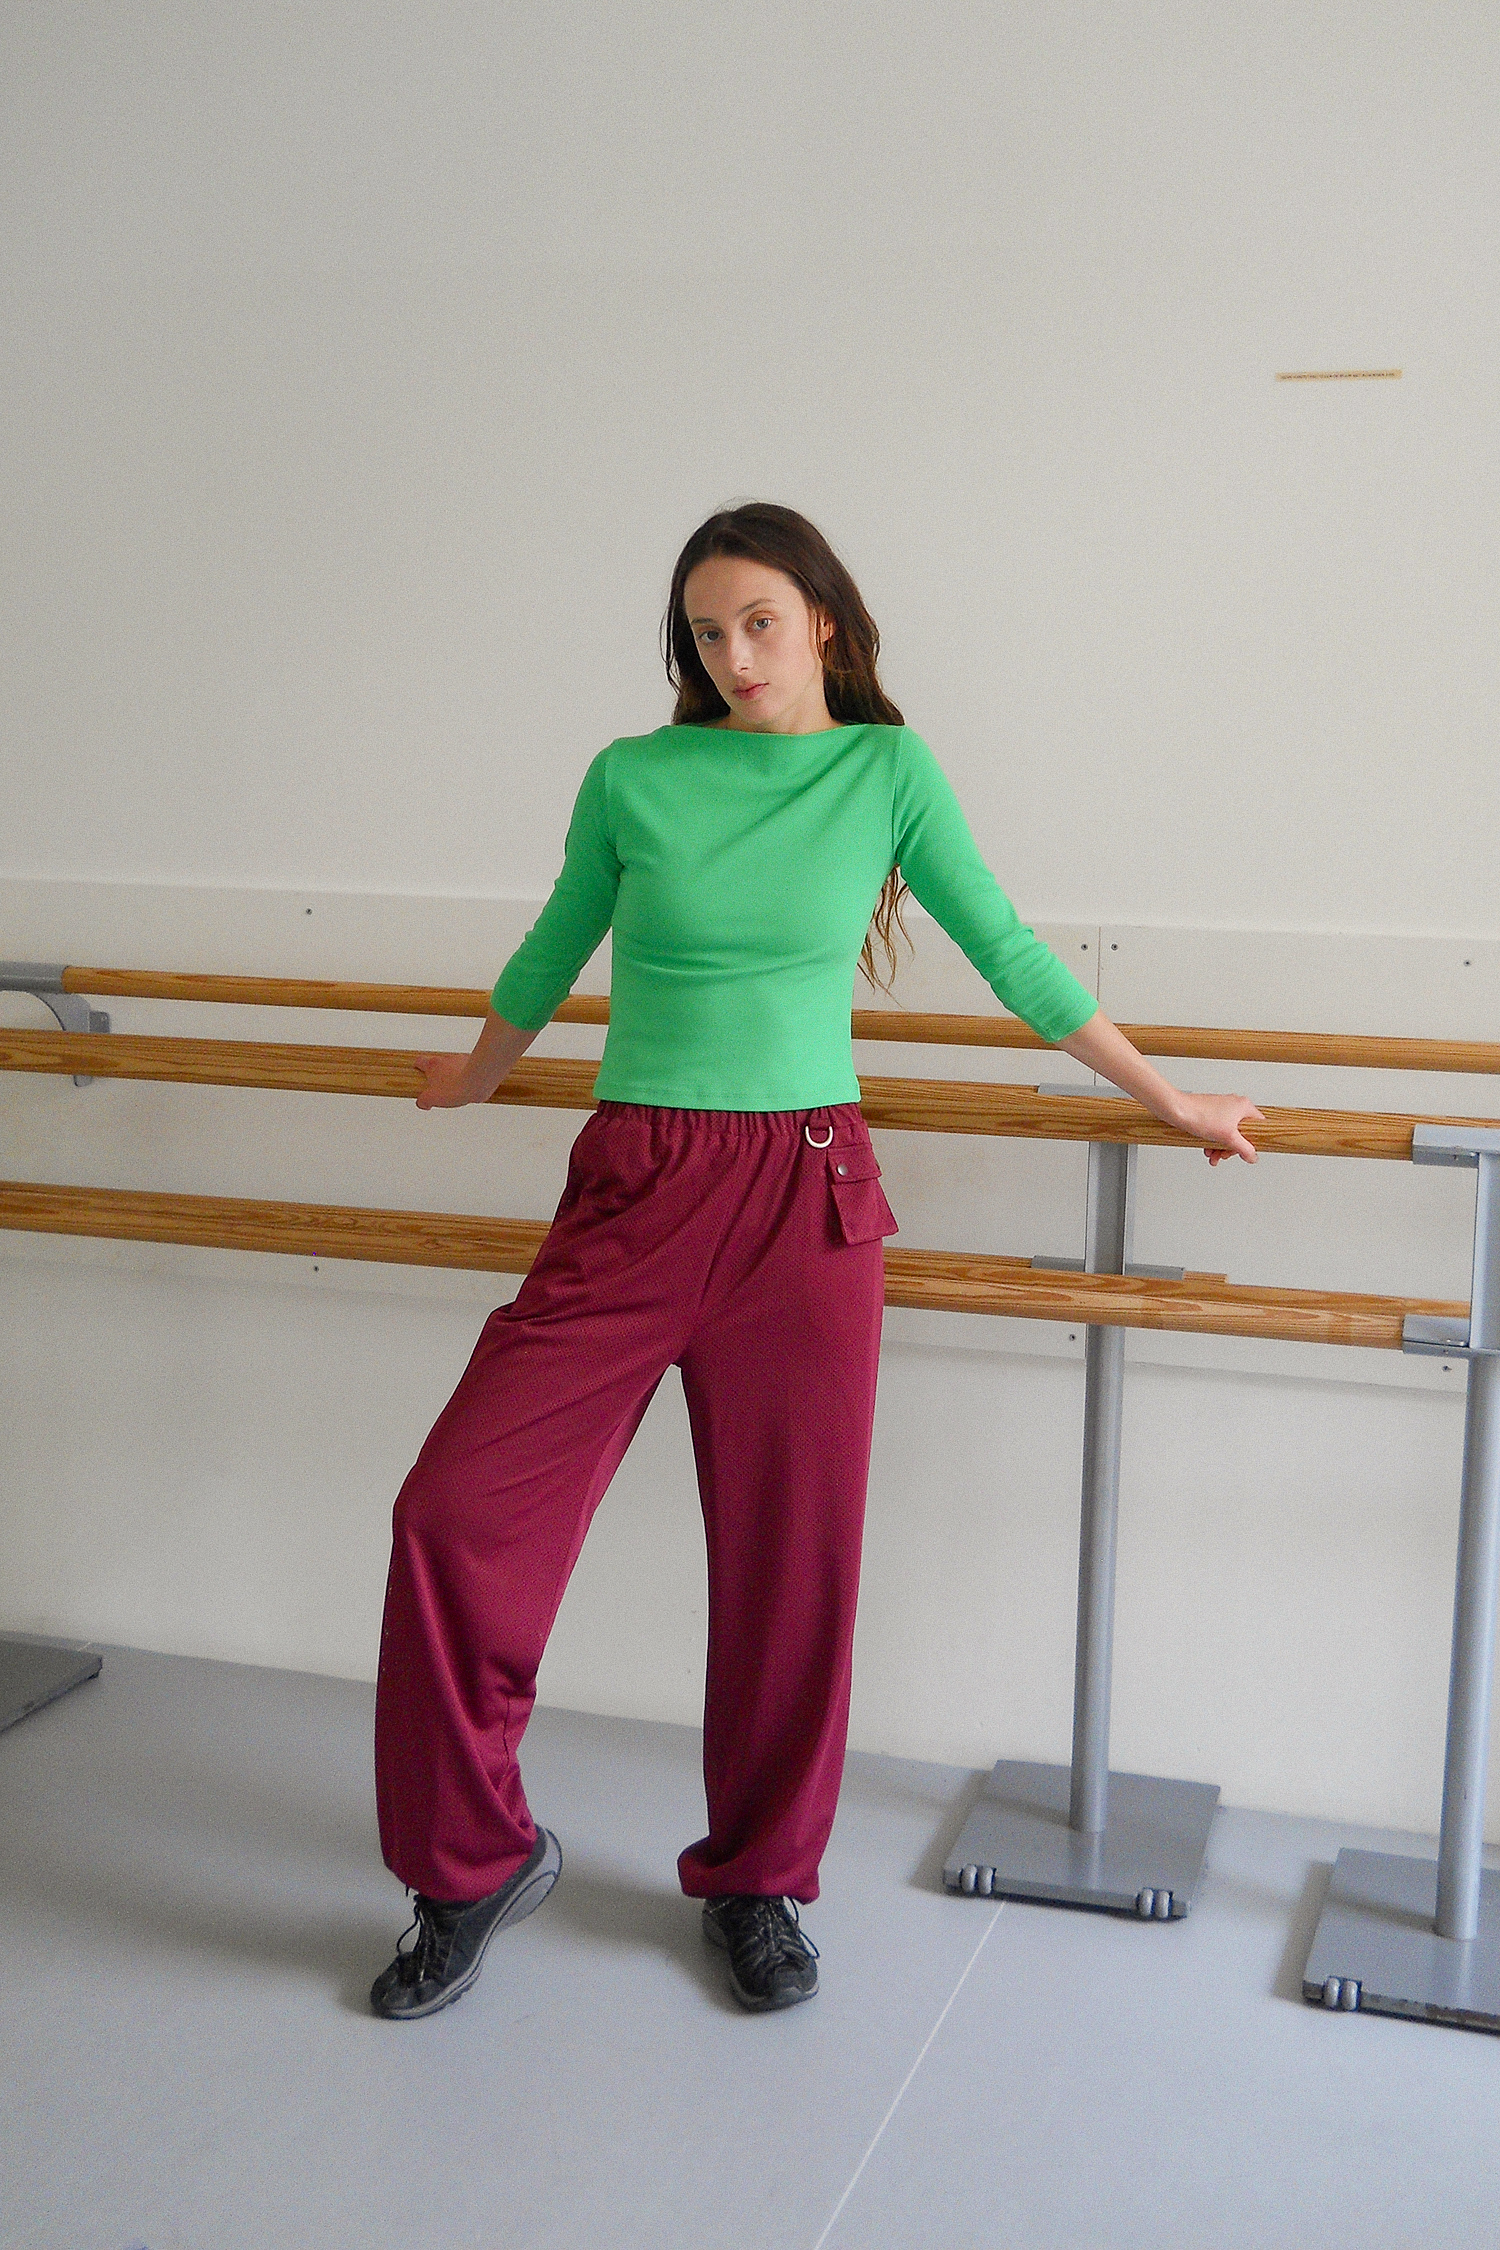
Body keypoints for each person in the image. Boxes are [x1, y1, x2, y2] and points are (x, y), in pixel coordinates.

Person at [368, 502, 1263, 2022]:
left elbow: (1009, 951)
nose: (734, 655)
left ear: (822, 623)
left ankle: (760, 1880)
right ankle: (470, 1864)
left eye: (760, 624)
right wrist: (477, 1072)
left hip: (805, 1200)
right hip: (637, 1186)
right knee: (453, 1513)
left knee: (794, 1563)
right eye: (707, 633)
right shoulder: (634, 776)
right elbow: (555, 944)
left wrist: (1170, 1101)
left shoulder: (885, 771)